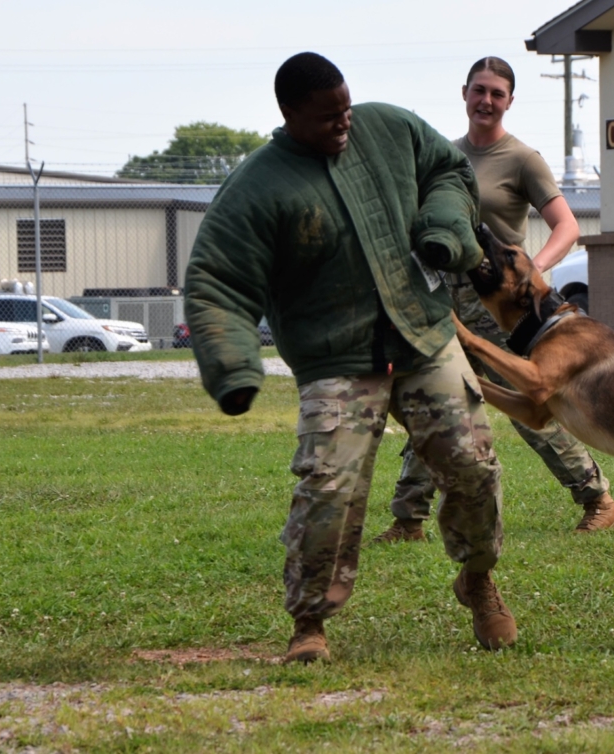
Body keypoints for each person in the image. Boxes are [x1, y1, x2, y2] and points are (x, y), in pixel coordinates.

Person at [183, 52, 517, 664]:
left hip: (421, 333)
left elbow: (448, 172)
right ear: (289, 114)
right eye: (327, 117)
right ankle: (310, 623)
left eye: (346, 108)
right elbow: (216, 281)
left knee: (473, 466)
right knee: (329, 488)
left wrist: (444, 225)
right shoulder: (258, 186)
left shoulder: (388, 128)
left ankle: (478, 579)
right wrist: (232, 368)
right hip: (337, 357)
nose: (344, 124)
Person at [373, 56, 614, 545]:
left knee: (530, 406)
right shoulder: (442, 156)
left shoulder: (521, 159)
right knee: (435, 398)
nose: (486, 100)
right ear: (464, 93)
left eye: (497, 93)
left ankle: (599, 499)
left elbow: (568, 225)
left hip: (496, 306)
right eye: (479, 91)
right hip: (441, 301)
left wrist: (532, 270)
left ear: (509, 101)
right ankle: (409, 518)